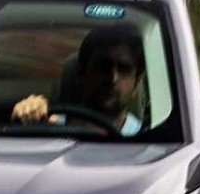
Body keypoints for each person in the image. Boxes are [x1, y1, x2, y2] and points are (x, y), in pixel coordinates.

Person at [11, 25, 146, 136]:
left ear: (136, 83)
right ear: (82, 72)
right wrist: (27, 116)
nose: (113, 78)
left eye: (124, 69)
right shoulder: (50, 126)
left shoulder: (146, 137)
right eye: (103, 66)